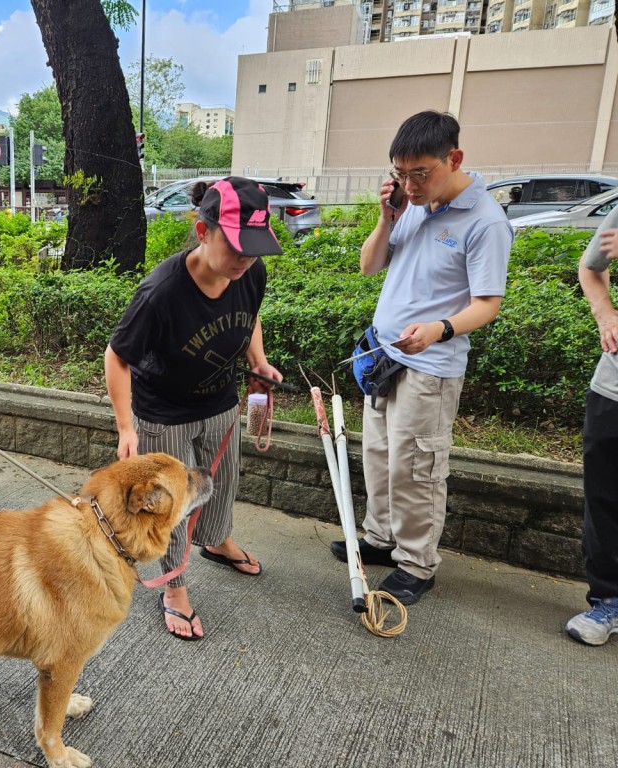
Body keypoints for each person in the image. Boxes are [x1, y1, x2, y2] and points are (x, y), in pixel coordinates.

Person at [329, 111, 512, 605]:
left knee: (418, 468)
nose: (409, 185)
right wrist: (387, 215)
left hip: (430, 366)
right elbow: (370, 266)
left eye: (420, 174)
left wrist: (440, 329)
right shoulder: (410, 206)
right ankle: (380, 540)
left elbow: (488, 304)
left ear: (454, 159)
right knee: (381, 459)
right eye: (399, 174)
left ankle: (417, 564)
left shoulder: (485, 221)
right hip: (383, 356)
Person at [104, 177, 284, 640]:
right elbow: (117, 356)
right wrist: (127, 427)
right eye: (237, 247)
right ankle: (173, 587)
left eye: (255, 249)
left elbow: (252, 316)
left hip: (219, 400)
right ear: (203, 233)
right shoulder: (162, 291)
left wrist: (258, 362)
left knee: (221, 481)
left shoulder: (251, 272)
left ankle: (218, 541)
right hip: (162, 413)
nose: (246, 260)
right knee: (169, 505)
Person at [567, 207, 618, 645]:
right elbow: (590, 267)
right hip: (612, 387)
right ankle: (609, 600)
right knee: (603, 500)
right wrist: (605, 314)